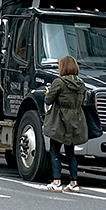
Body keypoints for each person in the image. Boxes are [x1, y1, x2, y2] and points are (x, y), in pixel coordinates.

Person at [43, 54, 87, 193]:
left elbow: (49, 100)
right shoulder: (81, 83)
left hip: (60, 120)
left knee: (55, 150)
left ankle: (56, 182)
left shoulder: (59, 82)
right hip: (76, 120)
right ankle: (73, 183)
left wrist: (47, 93)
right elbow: (84, 101)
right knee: (70, 152)